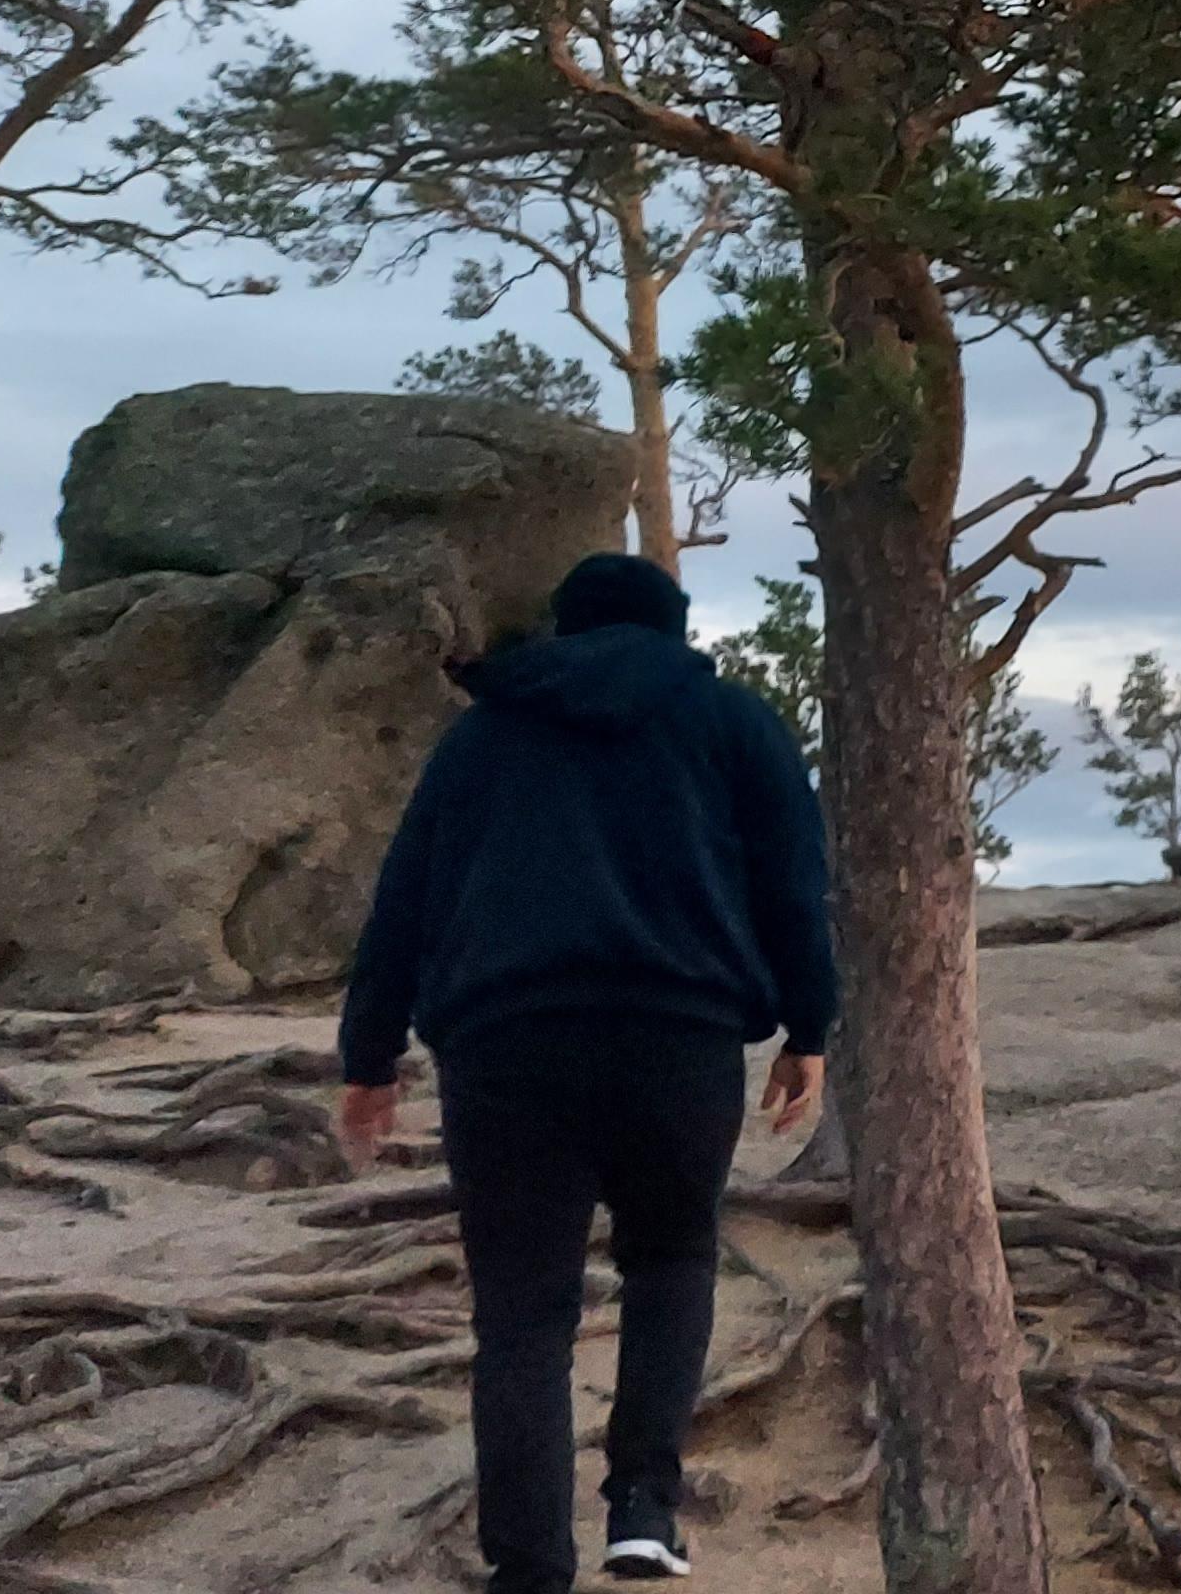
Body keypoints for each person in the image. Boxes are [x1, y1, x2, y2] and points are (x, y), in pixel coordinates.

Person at [335, 552, 837, 1592]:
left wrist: (369, 1057)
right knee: (672, 1260)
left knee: (522, 1310)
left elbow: (405, 900)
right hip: (680, 1037)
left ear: (563, 629)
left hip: (508, 1045)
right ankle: (645, 1509)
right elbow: (793, 884)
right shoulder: (735, 725)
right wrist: (807, 1028)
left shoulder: (482, 738)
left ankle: (529, 1566)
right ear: (675, 627)